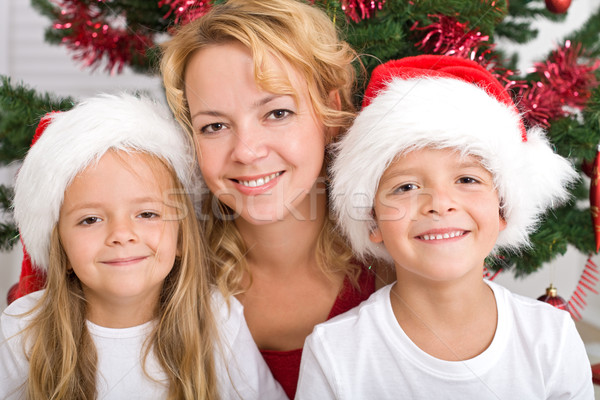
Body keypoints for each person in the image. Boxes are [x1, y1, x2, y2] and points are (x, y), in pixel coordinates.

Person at [295, 55, 594, 399]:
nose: (439, 202)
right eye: (405, 187)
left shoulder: (550, 337)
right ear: (372, 220)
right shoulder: (335, 352)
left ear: (503, 209)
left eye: (467, 179)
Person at [160, 0, 382, 397]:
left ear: (329, 111)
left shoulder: (395, 265)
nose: (246, 151)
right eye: (214, 125)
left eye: (277, 113)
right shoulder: (167, 273)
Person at [0, 93, 286, 399]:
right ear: (62, 250)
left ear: (181, 239)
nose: (122, 235)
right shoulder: (23, 329)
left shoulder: (218, 319)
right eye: (91, 219)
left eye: (147, 214)